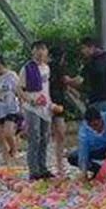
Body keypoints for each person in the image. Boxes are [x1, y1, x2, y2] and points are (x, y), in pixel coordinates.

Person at [19, 40, 58, 181]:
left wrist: (50, 103)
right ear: (33, 52)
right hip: (32, 108)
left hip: (45, 107)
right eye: (37, 49)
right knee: (34, 138)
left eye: (43, 49)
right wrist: (30, 100)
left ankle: (43, 167)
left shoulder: (47, 68)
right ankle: (33, 170)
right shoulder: (26, 68)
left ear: (46, 51)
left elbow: (46, 89)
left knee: (44, 138)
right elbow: (19, 89)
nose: (40, 52)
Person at [66, 37, 106, 121]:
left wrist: (68, 81)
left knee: (99, 129)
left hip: (97, 101)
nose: (82, 51)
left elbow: (78, 81)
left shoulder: (90, 64)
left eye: (83, 48)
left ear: (91, 47)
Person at [68, 105, 106, 180]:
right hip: (94, 150)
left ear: (101, 119)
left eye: (96, 125)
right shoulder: (84, 129)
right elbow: (83, 151)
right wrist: (84, 172)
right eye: (91, 126)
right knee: (73, 157)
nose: (94, 128)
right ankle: (98, 170)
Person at [48, 44, 68, 178]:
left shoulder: (52, 68)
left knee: (57, 132)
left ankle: (58, 163)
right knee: (59, 133)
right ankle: (57, 163)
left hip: (56, 101)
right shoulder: (55, 68)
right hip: (52, 102)